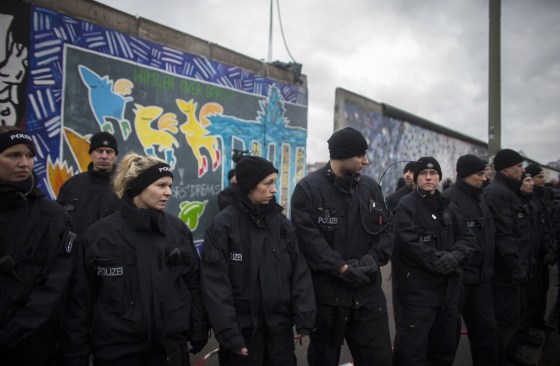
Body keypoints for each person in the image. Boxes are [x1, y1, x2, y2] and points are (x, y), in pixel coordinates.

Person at [60, 153, 208, 366]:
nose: (168, 192)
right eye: (161, 185)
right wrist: (75, 353)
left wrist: (198, 327)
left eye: (170, 186)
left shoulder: (177, 230)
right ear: (137, 187)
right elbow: (80, 300)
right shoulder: (100, 235)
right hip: (118, 352)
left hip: (170, 350)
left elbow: (194, 282)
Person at [291, 127, 393, 366]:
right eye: (360, 155)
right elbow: (309, 241)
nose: (366, 161)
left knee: (379, 359)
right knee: (323, 359)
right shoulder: (308, 189)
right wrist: (342, 269)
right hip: (328, 299)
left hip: (368, 296)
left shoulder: (370, 188)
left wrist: (369, 262)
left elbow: (387, 231)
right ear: (342, 155)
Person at [201, 155, 316, 366]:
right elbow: (215, 287)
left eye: (274, 182)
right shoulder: (223, 226)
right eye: (268, 183)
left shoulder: (282, 225)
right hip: (242, 337)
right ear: (249, 185)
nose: (274, 189)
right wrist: (230, 335)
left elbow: (299, 272)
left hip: (279, 334)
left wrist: (304, 317)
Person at [0, 127, 76, 366]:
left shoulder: (52, 217)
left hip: (31, 347)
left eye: (30, 155)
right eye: (14, 155)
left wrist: (11, 334)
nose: (24, 162)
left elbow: (54, 286)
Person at [391, 156, 476, 366]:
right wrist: (440, 259)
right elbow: (408, 243)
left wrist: (456, 256)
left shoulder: (449, 205)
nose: (429, 178)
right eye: (423, 174)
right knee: (411, 351)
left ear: (439, 177)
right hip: (417, 295)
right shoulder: (406, 206)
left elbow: (468, 237)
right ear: (417, 178)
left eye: (433, 174)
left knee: (444, 347)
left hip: (449, 293)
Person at [442, 154, 498, 365]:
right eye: (480, 174)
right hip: (459, 279)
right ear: (466, 175)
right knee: (448, 336)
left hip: (481, 279)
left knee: (486, 331)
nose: (484, 178)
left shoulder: (480, 198)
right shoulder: (449, 199)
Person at [483, 149, 534, 366]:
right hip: (505, 272)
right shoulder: (497, 193)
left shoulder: (511, 192)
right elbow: (504, 234)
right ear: (505, 168)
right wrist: (515, 265)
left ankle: (510, 352)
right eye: (518, 166)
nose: (522, 170)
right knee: (504, 320)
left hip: (516, 269)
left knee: (514, 317)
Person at [57, 131, 121, 236]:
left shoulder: (124, 187)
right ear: (91, 154)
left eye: (109, 152)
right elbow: (58, 220)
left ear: (115, 156)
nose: (104, 156)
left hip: (110, 250)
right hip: (76, 250)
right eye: (99, 151)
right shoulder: (72, 185)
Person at [524, 164, 556, 332]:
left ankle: (538, 322)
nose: (544, 180)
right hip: (533, 256)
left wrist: (549, 247)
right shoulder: (530, 200)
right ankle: (529, 327)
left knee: (542, 289)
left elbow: (545, 226)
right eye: (540, 177)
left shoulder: (542, 197)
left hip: (540, 254)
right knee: (532, 294)